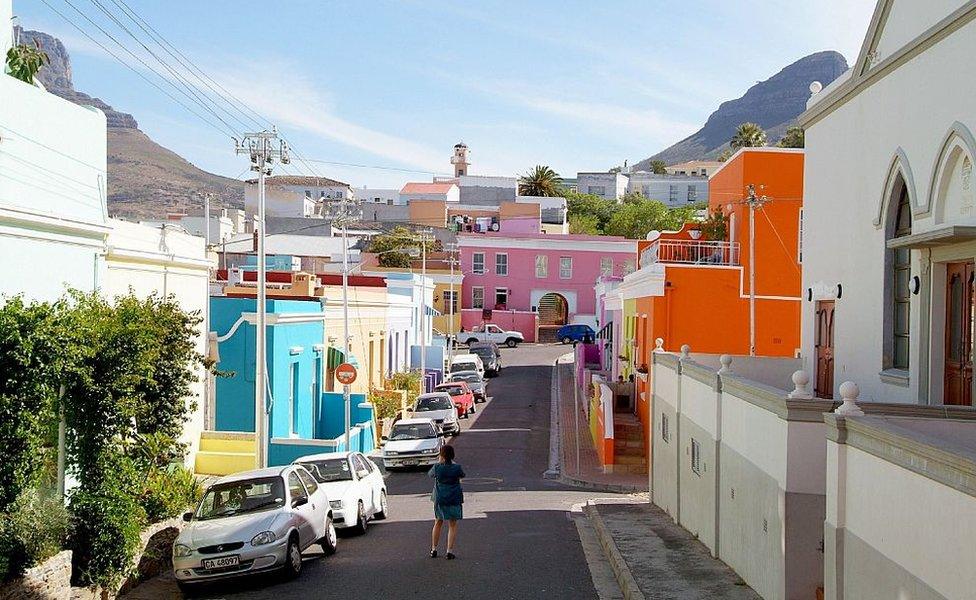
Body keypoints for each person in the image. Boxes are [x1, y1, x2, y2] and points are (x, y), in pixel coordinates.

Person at [428, 445, 465, 559]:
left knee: (438, 522)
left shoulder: (437, 467)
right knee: (452, 525)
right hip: (454, 498)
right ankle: (449, 551)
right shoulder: (457, 467)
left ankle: (434, 549)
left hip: (440, 499)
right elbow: (462, 475)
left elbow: (430, 474)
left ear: (442, 455)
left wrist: (440, 462)